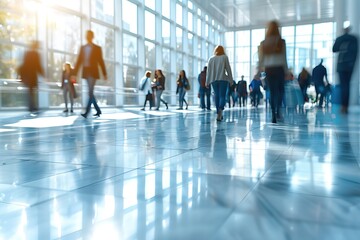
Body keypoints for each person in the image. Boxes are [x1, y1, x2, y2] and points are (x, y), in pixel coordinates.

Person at [259, 20, 288, 123]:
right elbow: (284, 58)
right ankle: (278, 111)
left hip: (269, 69)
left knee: (272, 92)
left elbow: (261, 59)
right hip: (279, 68)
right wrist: (286, 71)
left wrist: (259, 70)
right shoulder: (281, 42)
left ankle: (272, 115)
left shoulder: (263, 43)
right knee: (280, 91)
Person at [73, 30, 107, 118]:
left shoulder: (97, 48)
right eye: (86, 35)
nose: (87, 37)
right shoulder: (83, 48)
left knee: (90, 92)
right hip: (86, 72)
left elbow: (101, 61)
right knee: (90, 92)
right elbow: (79, 61)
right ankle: (98, 110)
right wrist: (74, 73)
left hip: (93, 73)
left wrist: (104, 73)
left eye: (89, 35)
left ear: (92, 37)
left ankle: (87, 112)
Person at [332, 26, 358, 114]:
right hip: (349, 66)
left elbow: (334, 49)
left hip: (341, 65)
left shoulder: (340, 39)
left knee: (343, 86)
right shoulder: (353, 39)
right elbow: (355, 52)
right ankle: (345, 106)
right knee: (347, 86)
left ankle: (344, 106)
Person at [206, 45, 233, 121]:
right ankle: (220, 109)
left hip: (214, 80)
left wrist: (207, 82)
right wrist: (231, 80)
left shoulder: (211, 59)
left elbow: (209, 72)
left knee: (217, 96)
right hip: (223, 79)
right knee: (222, 96)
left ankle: (218, 113)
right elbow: (228, 69)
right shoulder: (224, 57)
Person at [18, 40, 45, 113]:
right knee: (32, 91)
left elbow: (24, 64)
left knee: (30, 91)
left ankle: (31, 107)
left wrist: (21, 75)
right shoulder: (36, 54)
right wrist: (43, 75)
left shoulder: (27, 53)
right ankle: (32, 107)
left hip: (27, 76)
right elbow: (38, 66)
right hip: (32, 76)